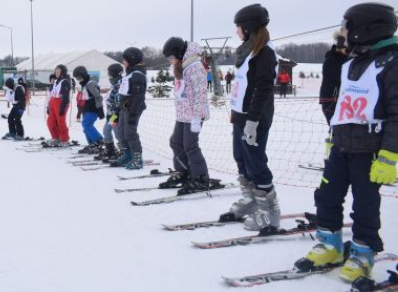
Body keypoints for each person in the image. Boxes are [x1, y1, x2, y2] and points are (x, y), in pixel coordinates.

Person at [294, 3, 398, 282]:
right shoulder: (350, 63)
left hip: (370, 152)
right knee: (326, 197)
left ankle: (363, 252)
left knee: (364, 205)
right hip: (341, 147)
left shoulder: (392, 64)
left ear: (367, 28)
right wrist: (332, 139)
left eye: (348, 26)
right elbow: (343, 105)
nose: (344, 31)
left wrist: (390, 154)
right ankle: (330, 244)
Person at [218, 4, 280, 231]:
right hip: (241, 116)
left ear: (249, 27)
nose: (237, 31)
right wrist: (236, 114)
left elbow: (263, 88)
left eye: (239, 27)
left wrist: (253, 120)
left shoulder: (265, 52)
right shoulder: (248, 51)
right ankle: (252, 200)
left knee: (255, 162)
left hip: (255, 118)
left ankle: (270, 210)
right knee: (241, 158)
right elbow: (243, 86)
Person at [159, 37, 211, 195]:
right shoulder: (182, 65)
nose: (170, 61)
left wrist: (196, 117)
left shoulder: (194, 66)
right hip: (183, 114)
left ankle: (201, 177)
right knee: (175, 142)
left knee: (190, 145)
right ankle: (184, 172)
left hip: (194, 115)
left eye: (171, 58)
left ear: (179, 54)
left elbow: (200, 94)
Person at [110, 47, 147, 170]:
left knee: (130, 133)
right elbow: (120, 96)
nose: (122, 62)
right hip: (123, 109)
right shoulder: (129, 74)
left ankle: (137, 159)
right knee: (120, 132)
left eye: (124, 59)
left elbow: (139, 96)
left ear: (131, 60)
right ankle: (127, 155)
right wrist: (115, 114)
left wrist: (132, 114)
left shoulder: (137, 75)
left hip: (133, 109)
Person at [73, 66, 105, 154]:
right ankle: (92, 144)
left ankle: (98, 140)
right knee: (85, 126)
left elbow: (98, 96)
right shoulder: (85, 84)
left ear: (83, 75)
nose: (78, 79)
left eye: (79, 77)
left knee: (86, 124)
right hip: (87, 108)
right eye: (76, 78)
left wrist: (100, 109)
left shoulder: (90, 84)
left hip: (93, 108)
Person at [319, 32, 349, 125]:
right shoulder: (333, 60)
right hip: (332, 99)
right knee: (336, 127)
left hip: (336, 99)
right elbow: (342, 78)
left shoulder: (340, 59)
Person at [96, 63, 124, 161]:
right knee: (106, 131)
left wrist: (115, 114)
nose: (109, 77)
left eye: (110, 75)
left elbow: (118, 101)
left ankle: (125, 152)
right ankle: (111, 151)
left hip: (115, 115)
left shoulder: (120, 84)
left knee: (117, 133)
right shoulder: (114, 85)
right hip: (111, 115)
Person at [46, 65, 71, 146]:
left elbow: (66, 96)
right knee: (50, 122)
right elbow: (52, 93)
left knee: (60, 122)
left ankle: (64, 139)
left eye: (58, 72)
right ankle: (56, 137)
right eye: (55, 72)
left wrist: (62, 107)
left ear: (62, 72)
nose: (56, 73)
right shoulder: (56, 81)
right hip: (53, 102)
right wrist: (49, 106)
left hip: (61, 103)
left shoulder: (65, 81)